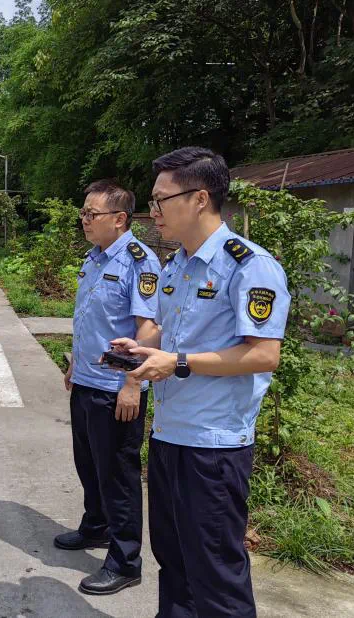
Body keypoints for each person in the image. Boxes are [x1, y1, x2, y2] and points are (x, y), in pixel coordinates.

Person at [113, 147, 291, 617]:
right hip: (171, 435)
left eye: (160, 200)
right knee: (173, 562)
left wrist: (179, 362)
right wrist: (146, 352)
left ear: (199, 198)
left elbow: (263, 353)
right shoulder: (177, 265)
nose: (153, 213)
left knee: (215, 573)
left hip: (213, 446)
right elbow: (174, 340)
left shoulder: (249, 266)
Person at [58, 180, 161, 596]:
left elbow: (148, 330)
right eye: (83, 213)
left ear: (119, 220)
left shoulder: (141, 261)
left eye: (91, 214)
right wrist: (73, 364)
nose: (84, 220)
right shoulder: (95, 256)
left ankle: (125, 561)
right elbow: (88, 317)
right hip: (86, 381)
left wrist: (132, 384)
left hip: (116, 389)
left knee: (118, 475)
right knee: (89, 464)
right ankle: (95, 527)